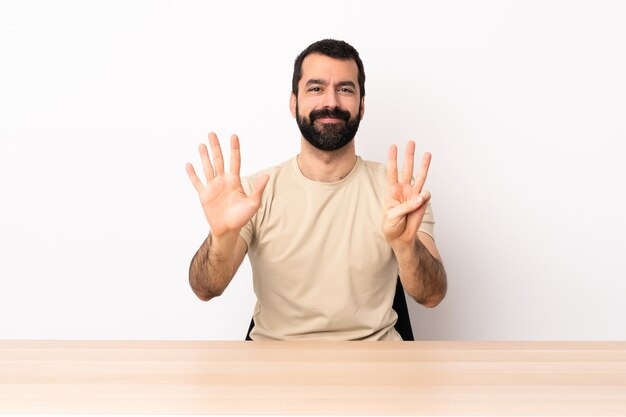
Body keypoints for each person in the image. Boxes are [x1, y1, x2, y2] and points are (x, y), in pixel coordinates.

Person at [185, 39, 447, 341]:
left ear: (362, 106)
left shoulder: (400, 193)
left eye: (345, 89)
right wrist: (221, 236)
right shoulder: (252, 194)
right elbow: (207, 289)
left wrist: (406, 247)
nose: (331, 102)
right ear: (293, 102)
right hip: (274, 369)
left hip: (375, 369)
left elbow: (431, 295)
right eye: (316, 88)